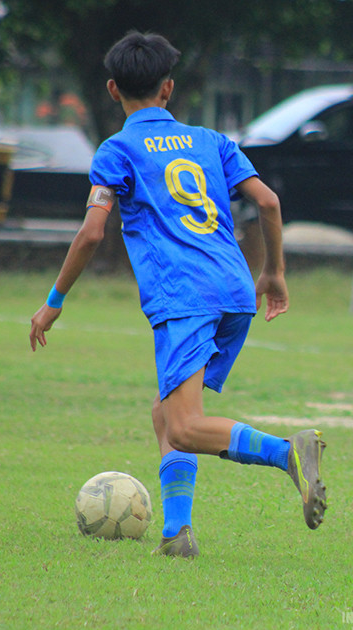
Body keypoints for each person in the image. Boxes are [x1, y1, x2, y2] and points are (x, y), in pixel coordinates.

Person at [29, 31, 327, 558]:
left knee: (186, 427)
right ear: (168, 88)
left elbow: (93, 232)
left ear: (112, 89)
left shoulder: (118, 149)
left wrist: (54, 299)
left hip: (183, 296)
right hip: (234, 291)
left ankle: (289, 454)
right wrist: (274, 273)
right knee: (166, 413)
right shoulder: (213, 141)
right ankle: (178, 533)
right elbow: (270, 203)